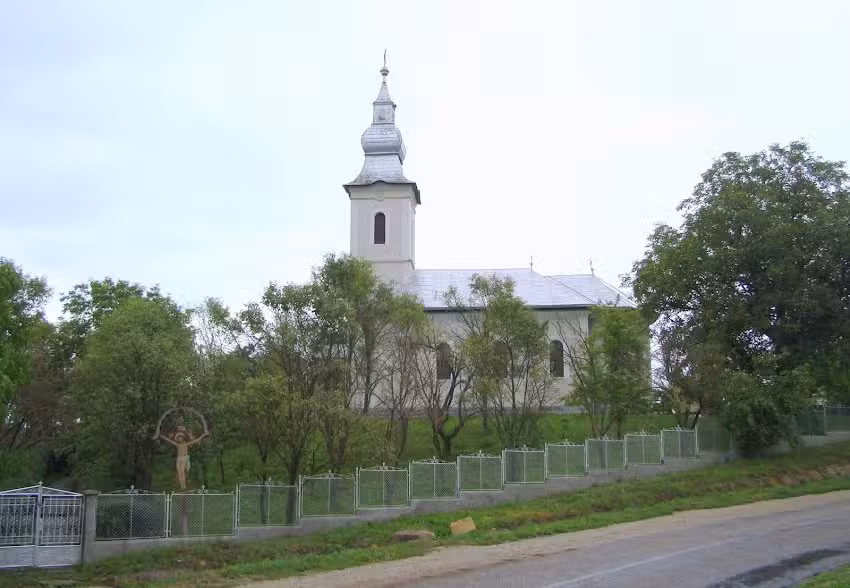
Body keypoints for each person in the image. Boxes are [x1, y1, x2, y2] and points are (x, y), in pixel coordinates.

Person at [160, 417, 207, 490]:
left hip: (184, 458)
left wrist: (203, 435)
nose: (180, 438)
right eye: (178, 438)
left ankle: (184, 485)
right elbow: (169, 441)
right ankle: (182, 485)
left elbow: (195, 441)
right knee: (179, 472)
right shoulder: (177, 444)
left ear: (183, 438)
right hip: (179, 458)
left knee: (182, 471)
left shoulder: (186, 444)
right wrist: (162, 436)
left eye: (181, 437)